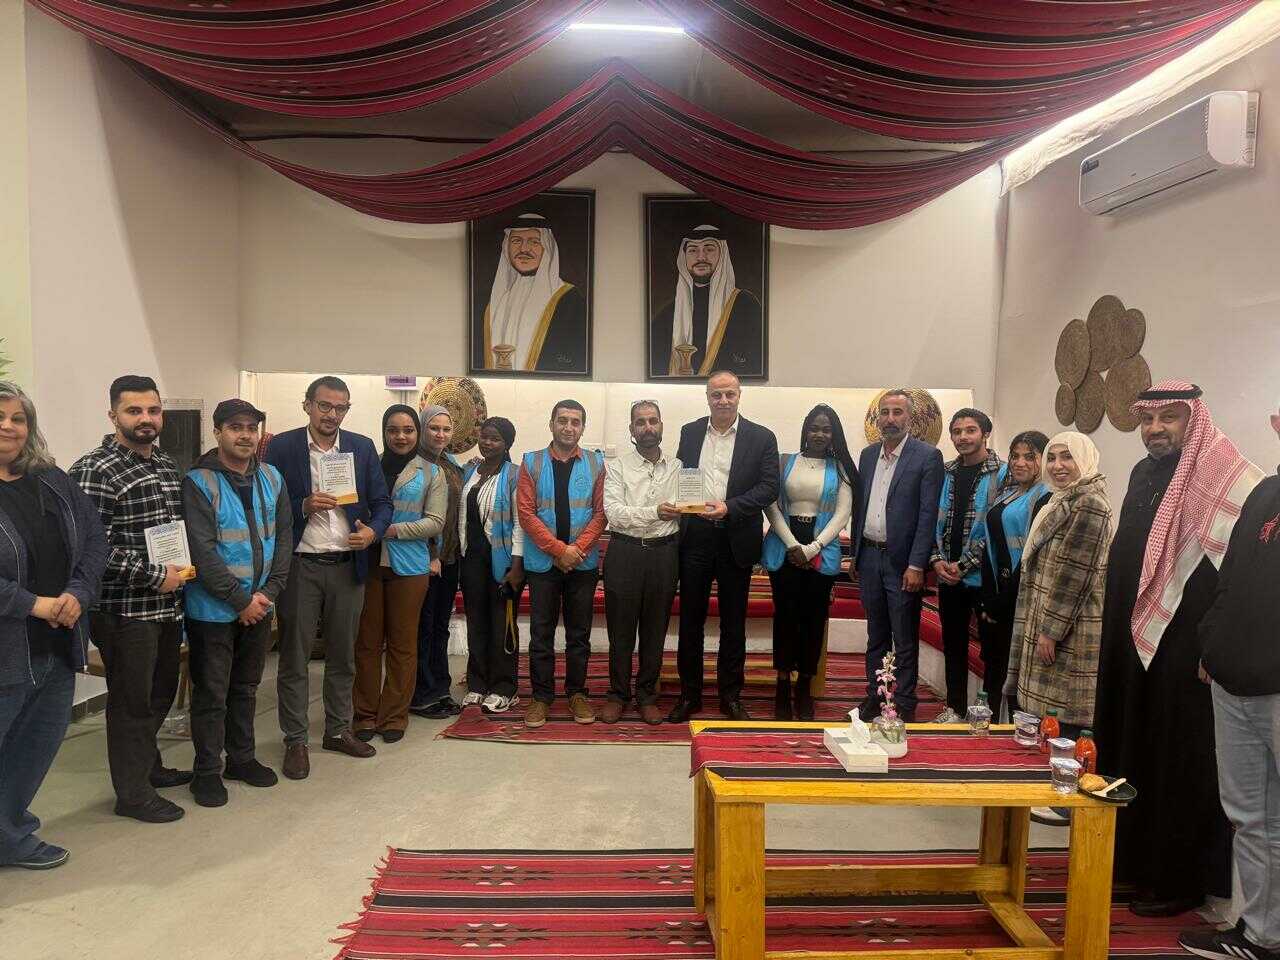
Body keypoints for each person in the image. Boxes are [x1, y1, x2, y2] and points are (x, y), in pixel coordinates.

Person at [1094, 379, 1264, 918]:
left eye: (1169, 418)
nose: (1155, 429)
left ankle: (1177, 879)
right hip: (1133, 640)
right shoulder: (1143, 473)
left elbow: (1237, 572)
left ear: (1194, 420)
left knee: (1177, 752)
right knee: (1132, 739)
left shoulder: (1228, 478)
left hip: (1185, 646)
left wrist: (1212, 643)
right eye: (1148, 419)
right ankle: (1130, 861)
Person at [1179, 399, 1280, 960]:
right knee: (1251, 818)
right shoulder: (1264, 494)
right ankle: (1261, 934)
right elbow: (1230, 577)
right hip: (1233, 681)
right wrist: (1212, 645)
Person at [70, 375, 192, 824]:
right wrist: (154, 575)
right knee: (131, 703)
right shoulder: (94, 469)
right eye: (134, 411)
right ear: (113, 415)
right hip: (124, 611)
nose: (146, 419)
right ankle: (133, 794)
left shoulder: (165, 464)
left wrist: (181, 572)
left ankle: (148, 767)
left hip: (167, 606)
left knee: (159, 693)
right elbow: (89, 546)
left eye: (153, 410)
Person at [0, 382, 106, 869]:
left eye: (17, 418)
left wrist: (77, 593)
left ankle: (10, 836)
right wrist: (32, 604)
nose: (7, 426)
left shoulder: (53, 481)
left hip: (58, 646)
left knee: (32, 750)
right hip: (8, 647)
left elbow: (93, 540)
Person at [265, 376, 392, 780]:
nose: (332, 415)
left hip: (347, 565)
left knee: (343, 655)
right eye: (324, 406)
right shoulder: (282, 447)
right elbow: (266, 504)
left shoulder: (361, 447)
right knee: (295, 657)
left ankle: (337, 730)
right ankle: (296, 740)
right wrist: (302, 505)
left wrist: (372, 533)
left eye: (340, 408)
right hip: (300, 566)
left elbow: (383, 504)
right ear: (307, 405)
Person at [181, 399, 292, 808]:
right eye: (235, 427)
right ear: (217, 432)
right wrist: (240, 600)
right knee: (212, 694)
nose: (245, 435)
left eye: (251, 427)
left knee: (245, 688)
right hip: (213, 610)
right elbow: (202, 551)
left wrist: (269, 593)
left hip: (260, 604)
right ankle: (207, 771)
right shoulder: (198, 482)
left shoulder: (272, 477)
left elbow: (283, 537)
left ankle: (241, 759)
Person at [668, 371, 779, 723]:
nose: (723, 401)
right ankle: (689, 695)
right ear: (707, 397)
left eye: (730, 394)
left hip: (736, 538)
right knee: (691, 621)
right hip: (696, 538)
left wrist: (729, 507)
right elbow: (683, 476)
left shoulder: (762, 437)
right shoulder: (689, 432)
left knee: (733, 623)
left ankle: (730, 696)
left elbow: (769, 488)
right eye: (717, 395)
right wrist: (685, 504)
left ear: (739, 395)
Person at [1003, 432, 1112, 735]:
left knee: (1062, 723)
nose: (1057, 465)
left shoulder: (1090, 504)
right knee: (1042, 720)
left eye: (1067, 457)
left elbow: (1074, 576)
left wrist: (1051, 632)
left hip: (1069, 630)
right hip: (1047, 622)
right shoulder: (1062, 499)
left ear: (1085, 460)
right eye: (1051, 458)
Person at [353, 406, 445, 742]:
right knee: (366, 643)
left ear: (417, 434)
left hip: (409, 566)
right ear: (384, 432)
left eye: (408, 430)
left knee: (402, 644)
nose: (401, 437)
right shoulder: (367, 465)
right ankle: (364, 714)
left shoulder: (432, 473)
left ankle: (393, 716)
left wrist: (389, 530)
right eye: (393, 430)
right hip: (367, 564)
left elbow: (435, 522)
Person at [852, 390, 944, 723]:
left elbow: (927, 514)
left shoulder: (927, 457)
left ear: (910, 417)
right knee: (875, 635)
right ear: (877, 418)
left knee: (904, 638)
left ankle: (904, 701)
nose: (890, 419)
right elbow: (860, 506)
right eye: (885, 412)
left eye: (897, 412)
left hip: (903, 564)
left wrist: (917, 564)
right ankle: (875, 696)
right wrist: (856, 556)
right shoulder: (867, 456)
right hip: (869, 558)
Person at [763, 405, 857, 720]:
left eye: (826, 429)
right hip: (784, 543)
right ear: (805, 429)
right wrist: (793, 545)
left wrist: (813, 547)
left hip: (822, 546)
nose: (819, 434)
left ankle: (804, 686)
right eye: (814, 428)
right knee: (785, 617)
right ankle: (782, 685)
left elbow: (842, 513)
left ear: (834, 434)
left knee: (814, 620)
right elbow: (771, 505)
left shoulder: (841, 468)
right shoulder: (784, 462)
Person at [517, 400, 606, 728]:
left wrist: (575, 551)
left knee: (578, 634)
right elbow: (526, 513)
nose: (569, 427)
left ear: (582, 427)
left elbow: (601, 513)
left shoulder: (596, 463)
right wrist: (558, 551)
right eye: (563, 420)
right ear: (551, 424)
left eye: (575, 422)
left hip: (581, 564)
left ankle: (577, 693)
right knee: (541, 633)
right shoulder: (531, 462)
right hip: (543, 564)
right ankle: (541, 697)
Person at [602, 401, 682, 725]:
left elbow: (687, 508)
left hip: (664, 554)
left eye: (653, 421)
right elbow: (614, 513)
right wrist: (655, 512)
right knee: (620, 631)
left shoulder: (679, 467)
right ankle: (617, 694)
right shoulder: (617, 467)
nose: (647, 427)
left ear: (661, 425)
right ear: (632, 429)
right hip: (625, 552)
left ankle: (647, 695)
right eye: (640, 422)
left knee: (655, 630)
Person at [930, 408, 1007, 723]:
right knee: (953, 644)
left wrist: (963, 565)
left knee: (991, 649)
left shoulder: (1003, 473)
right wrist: (936, 560)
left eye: (970, 430)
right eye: (957, 431)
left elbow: (998, 527)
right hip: (947, 575)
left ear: (985, 433)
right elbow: (932, 518)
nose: (963, 437)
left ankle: (988, 714)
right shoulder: (946, 472)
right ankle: (955, 708)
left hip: (984, 578)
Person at [978, 431, 1049, 721]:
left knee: (1015, 678)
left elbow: (1030, 557)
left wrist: (999, 604)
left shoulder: (1045, 498)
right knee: (993, 672)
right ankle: (986, 732)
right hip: (997, 595)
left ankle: (1014, 738)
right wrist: (987, 599)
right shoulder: (1008, 494)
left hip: (1018, 602)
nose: (1020, 463)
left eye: (1029, 456)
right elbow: (990, 548)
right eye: (1015, 456)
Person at [458, 417, 525, 715]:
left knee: (502, 626)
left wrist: (517, 566)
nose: (487, 443)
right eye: (484, 436)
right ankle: (477, 683)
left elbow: (520, 523)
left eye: (495, 438)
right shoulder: (470, 471)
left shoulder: (514, 475)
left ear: (507, 443)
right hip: (471, 559)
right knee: (476, 623)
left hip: (503, 562)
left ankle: (504, 688)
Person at [476, 212, 587, 373]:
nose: (524, 249)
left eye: (534, 242)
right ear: (507, 247)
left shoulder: (570, 300)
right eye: (516, 241)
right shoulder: (488, 301)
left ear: (547, 248)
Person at [650, 225, 764, 379]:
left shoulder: (746, 306)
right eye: (693, 250)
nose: (701, 257)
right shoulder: (668, 314)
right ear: (684, 258)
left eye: (709, 249)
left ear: (722, 254)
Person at [409, 405, 465, 719]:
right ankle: (421, 694)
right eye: (434, 428)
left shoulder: (451, 464)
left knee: (440, 626)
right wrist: (431, 553)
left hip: (450, 558)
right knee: (423, 627)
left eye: (445, 429)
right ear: (422, 429)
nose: (440, 434)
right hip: (424, 559)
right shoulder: (414, 464)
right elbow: (414, 512)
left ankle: (440, 688)